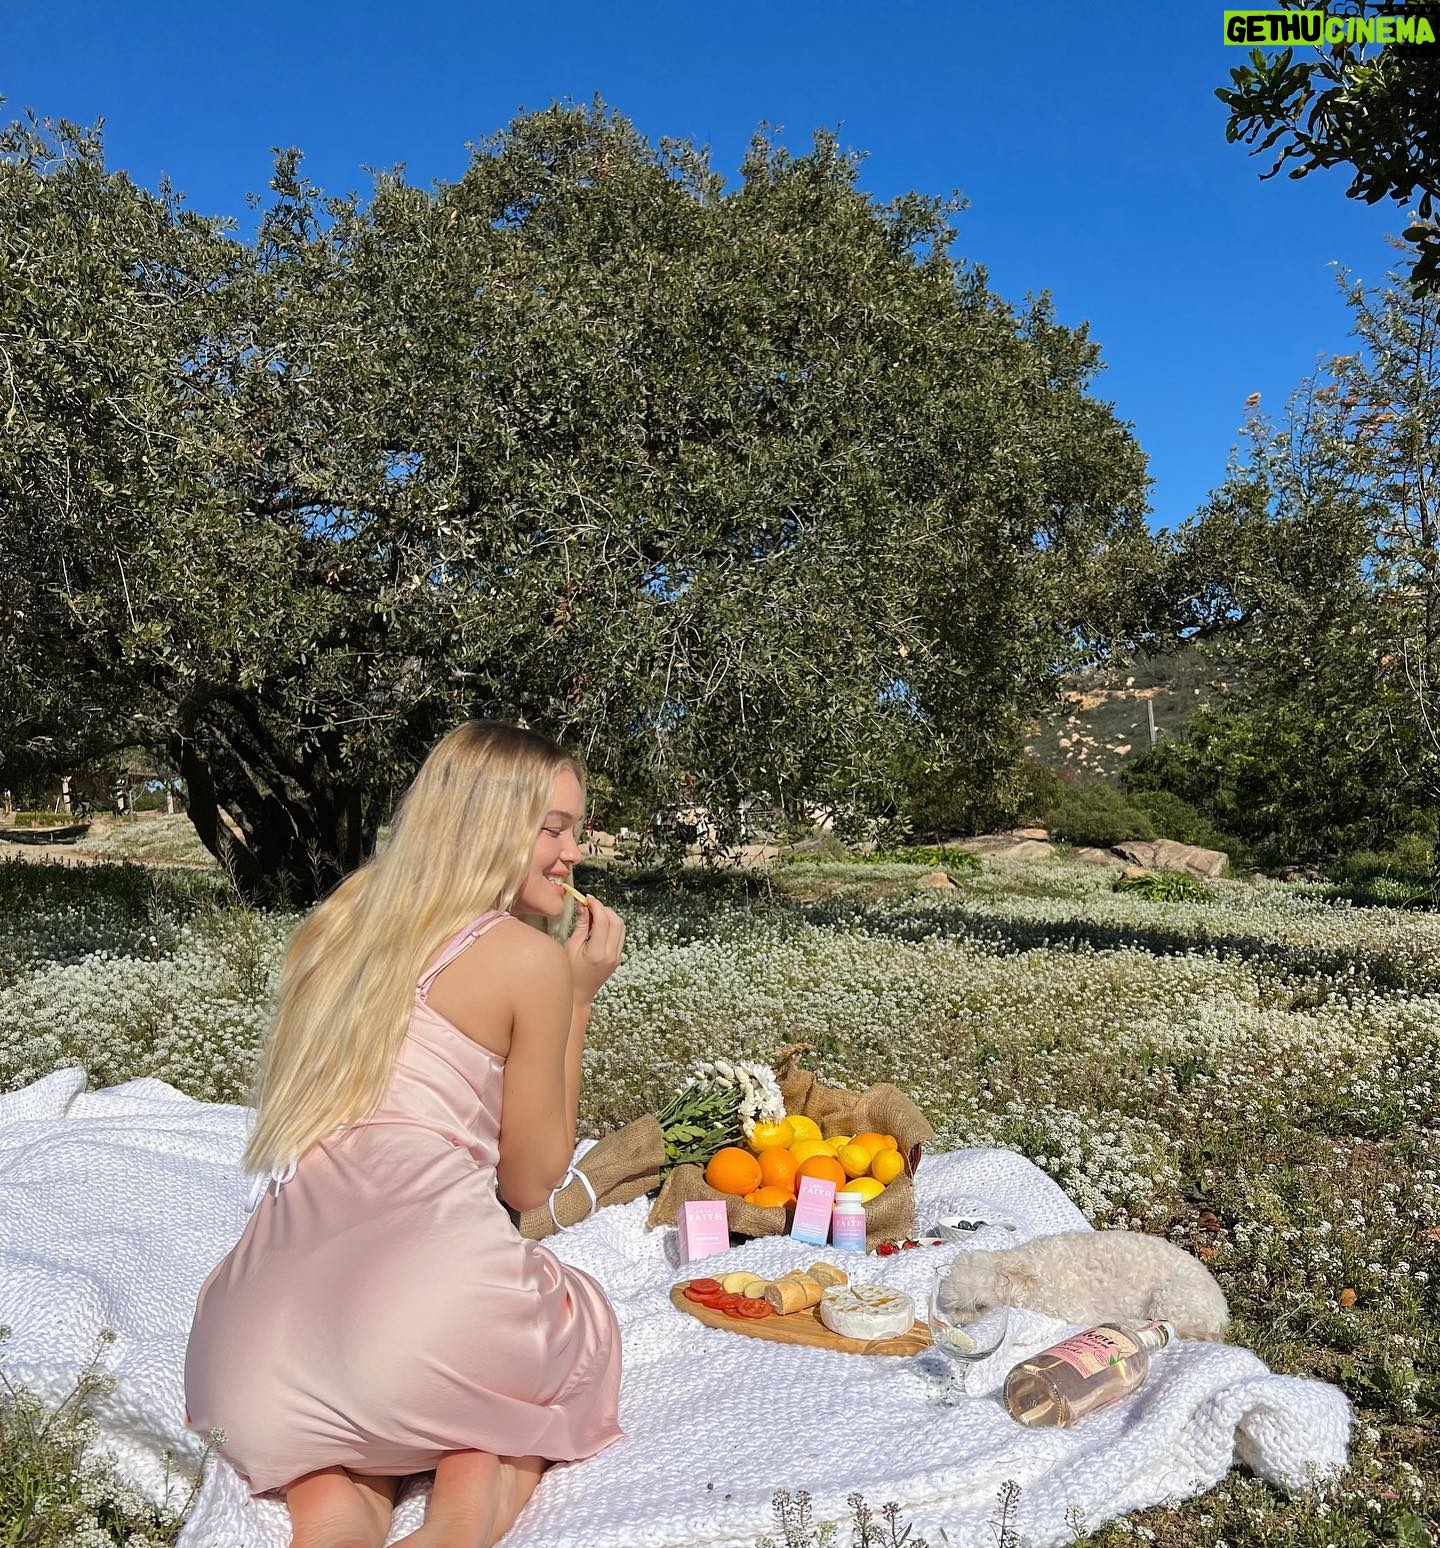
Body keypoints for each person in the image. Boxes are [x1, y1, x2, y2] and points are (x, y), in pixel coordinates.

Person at [183, 720, 626, 1548]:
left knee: (350, 1433)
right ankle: (464, 1504)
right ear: (492, 824)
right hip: (423, 1335)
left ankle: (334, 1512)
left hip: (245, 1360)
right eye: (555, 829)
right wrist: (577, 998)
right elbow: (532, 1182)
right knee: (579, 1320)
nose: (573, 853)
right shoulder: (526, 959)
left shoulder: (340, 925)